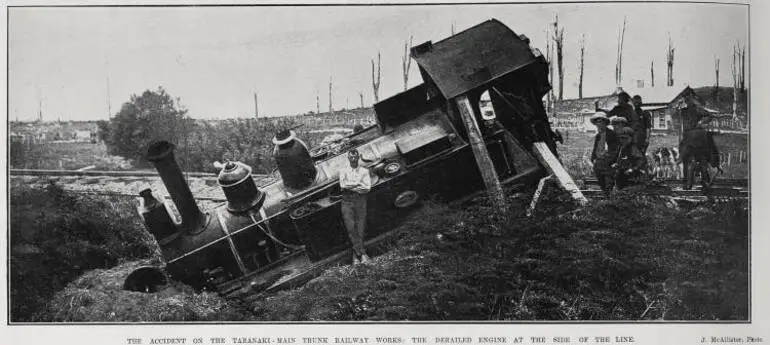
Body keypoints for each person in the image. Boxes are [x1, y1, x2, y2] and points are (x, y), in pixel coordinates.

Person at [339, 149, 372, 264]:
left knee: (360, 227)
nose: (353, 159)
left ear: (358, 157)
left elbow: (367, 188)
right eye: (351, 157)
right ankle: (362, 254)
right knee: (351, 228)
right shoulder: (343, 171)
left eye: (355, 157)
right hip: (347, 201)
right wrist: (358, 184)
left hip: (360, 201)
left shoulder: (364, 171)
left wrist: (351, 186)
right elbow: (343, 185)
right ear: (348, 158)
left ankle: (356, 255)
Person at [679, 116, 721, 189]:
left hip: (690, 157)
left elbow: (683, 146)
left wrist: (681, 157)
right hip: (702, 157)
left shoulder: (688, 134)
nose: (707, 126)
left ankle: (687, 186)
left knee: (689, 170)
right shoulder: (706, 134)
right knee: (704, 169)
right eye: (706, 124)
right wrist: (716, 163)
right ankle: (705, 184)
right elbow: (713, 148)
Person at [589, 112, 618, 194]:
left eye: (601, 122)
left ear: (605, 123)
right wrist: (593, 159)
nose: (599, 124)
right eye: (597, 122)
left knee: (608, 184)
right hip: (598, 163)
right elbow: (595, 148)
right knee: (601, 183)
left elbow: (614, 150)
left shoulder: (611, 134)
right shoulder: (598, 135)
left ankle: (609, 201)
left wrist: (609, 160)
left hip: (607, 163)